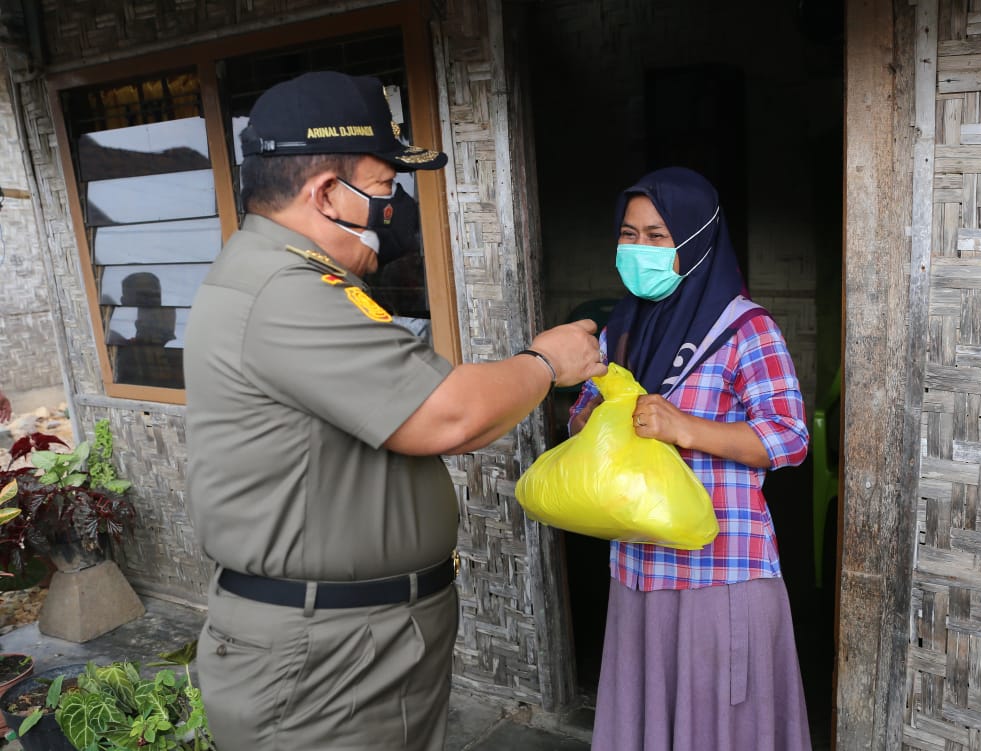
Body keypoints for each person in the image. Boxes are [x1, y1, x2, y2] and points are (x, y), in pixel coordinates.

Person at [183, 71, 605, 751]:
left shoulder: (278, 276)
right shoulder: (285, 291)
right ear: (325, 193)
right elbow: (450, 417)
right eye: (383, 188)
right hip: (325, 658)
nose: (392, 209)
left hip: (352, 642)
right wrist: (546, 362)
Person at [568, 167, 811, 751]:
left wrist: (685, 428)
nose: (638, 250)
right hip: (637, 565)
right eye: (629, 234)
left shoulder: (746, 330)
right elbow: (579, 418)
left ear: (696, 239)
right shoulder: (619, 330)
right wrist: (593, 415)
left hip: (720, 568)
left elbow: (789, 437)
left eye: (657, 236)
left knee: (719, 729)